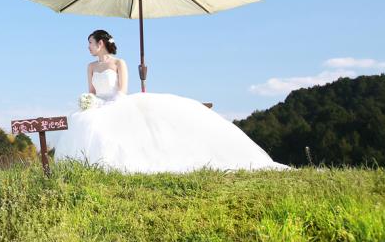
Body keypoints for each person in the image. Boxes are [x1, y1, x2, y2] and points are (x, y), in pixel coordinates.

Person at [54, 29, 287, 173]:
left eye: (91, 43)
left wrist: (107, 104)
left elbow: (122, 90)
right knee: (84, 123)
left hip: (116, 102)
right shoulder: (90, 66)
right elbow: (91, 91)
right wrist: (90, 102)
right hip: (99, 105)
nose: (88, 47)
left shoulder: (119, 63)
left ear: (101, 43)